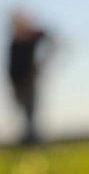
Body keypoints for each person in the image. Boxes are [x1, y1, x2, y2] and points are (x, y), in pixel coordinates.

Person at [5, 8, 57, 145]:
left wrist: (43, 63)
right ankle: (29, 138)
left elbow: (52, 41)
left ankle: (32, 140)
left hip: (30, 81)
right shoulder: (14, 43)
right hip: (18, 83)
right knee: (25, 113)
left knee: (31, 111)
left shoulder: (33, 36)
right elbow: (12, 68)